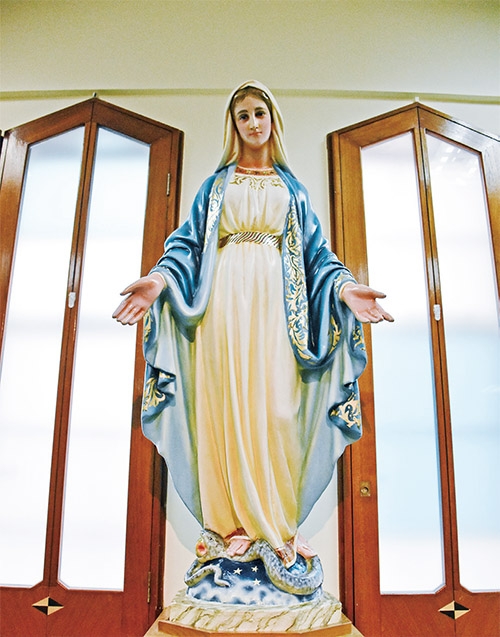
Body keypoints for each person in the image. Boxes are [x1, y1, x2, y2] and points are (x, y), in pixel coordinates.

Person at [113, 80, 393, 569]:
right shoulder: (215, 187)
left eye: (259, 112)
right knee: (225, 406)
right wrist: (157, 282)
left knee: (277, 408)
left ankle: (277, 524)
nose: (252, 123)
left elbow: (317, 257)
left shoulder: (292, 190)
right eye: (242, 115)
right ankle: (233, 525)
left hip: (277, 310)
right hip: (221, 309)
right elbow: (186, 247)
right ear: (233, 125)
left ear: (273, 119)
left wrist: (347, 289)